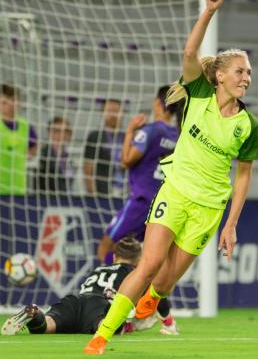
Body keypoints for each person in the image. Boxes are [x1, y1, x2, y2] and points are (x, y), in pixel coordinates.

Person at [84, 0, 258, 355]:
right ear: (220, 76)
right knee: (147, 266)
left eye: (248, 72)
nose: (246, 77)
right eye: (240, 70)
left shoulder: (248, 125)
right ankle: (101, 336)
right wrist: (208, 12)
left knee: (163, 282)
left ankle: (153, 300)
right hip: (175, 192)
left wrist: (231, 224)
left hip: (209, 208)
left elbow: (243, 176)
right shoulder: (198, 93)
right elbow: (188, 54)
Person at [96, 86, 182, 335]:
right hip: (162, 203)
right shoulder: (178, 135)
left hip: (141, 200)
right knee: (148, 267)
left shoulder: (150, 131)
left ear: (158, 103)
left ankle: (108, 302)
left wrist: (130, 130)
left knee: (106, 247)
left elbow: (126, 160)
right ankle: (167, 322)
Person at [1, 235, 142, 336]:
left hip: (76, 300)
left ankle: (35, 314)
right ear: (139, 260)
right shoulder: (135, 273)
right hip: (101, 306)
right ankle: (115, 312)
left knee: (47, 325)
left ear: (113, 257)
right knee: (107, 327)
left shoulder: (99, 269)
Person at [84, 99, 125, 196]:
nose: (113, 115)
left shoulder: (127, 137)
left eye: (116, 111)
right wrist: (93, 195)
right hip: (101, 193)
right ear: (103, 113)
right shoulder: (95, 136)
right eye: (110, 111)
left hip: (124, 192)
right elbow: (88, 168)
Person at [35, 116, 75, 193]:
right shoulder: (42, 154)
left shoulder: (68, 156)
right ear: (49, 132)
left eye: (64, 131)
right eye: (57, 131)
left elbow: (70, 179)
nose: (61, 134)